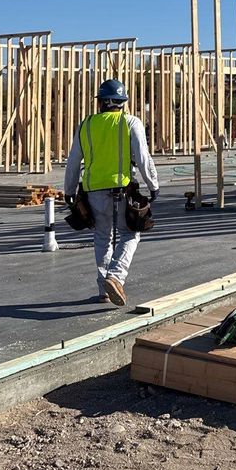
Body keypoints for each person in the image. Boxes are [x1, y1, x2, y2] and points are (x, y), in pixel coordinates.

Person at [64, 79, 159, 307]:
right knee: (129, 234)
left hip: (93, 191)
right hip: (122, 190)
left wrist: (69, 190)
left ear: (101, 103)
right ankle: (116, 276)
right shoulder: (130, 122)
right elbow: (143, 157)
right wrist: (153, 184)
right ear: (121, 102)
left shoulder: (86, 125)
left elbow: (74, 161)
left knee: (102, 238)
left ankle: (104, 289)